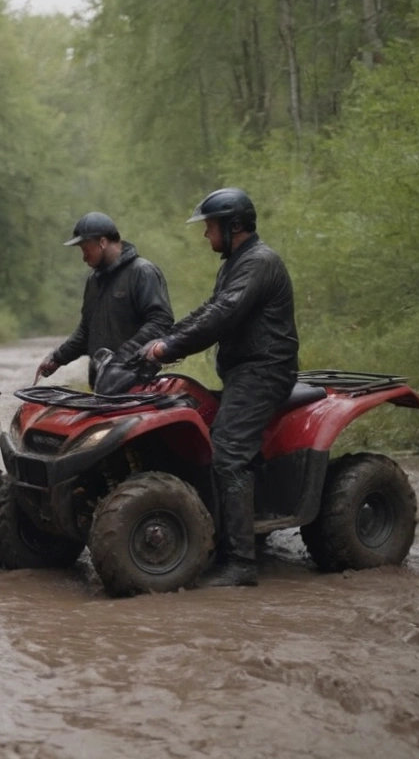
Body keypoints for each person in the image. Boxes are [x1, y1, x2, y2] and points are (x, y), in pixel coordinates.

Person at [140, 188, 299, 588]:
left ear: (234, 226)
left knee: (227, 452)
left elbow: (223, 315)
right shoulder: (236, 263)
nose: (205, 234)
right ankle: (227, 537)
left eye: (210, 226)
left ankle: (242, 563)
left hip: (265, 371)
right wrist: (166, 340)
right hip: (244, 371)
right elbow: (210, 309)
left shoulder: (260, 262)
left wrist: (170, 346)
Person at [37, 211, 173, 392]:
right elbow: (86, 331)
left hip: (138, 383)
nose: (84, 257)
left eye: (85, 249)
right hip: (101, 382)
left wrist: (123, 357)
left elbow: (160, 322)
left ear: (102, 242)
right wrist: (57, 358)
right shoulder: (94, 281)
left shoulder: (142, 272)